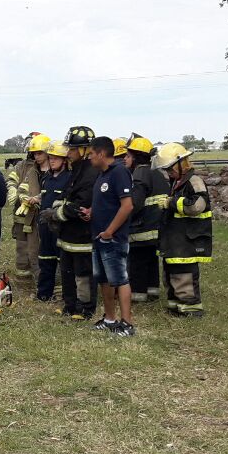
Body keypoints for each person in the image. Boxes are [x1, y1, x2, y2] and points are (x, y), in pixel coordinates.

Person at [47, 125, 98, 320]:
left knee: (83, 274)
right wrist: (55, 210)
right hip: (67, 235)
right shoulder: (76, 170)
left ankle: (85, 308)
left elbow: (81, 204)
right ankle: (70, 305)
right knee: (67, 272)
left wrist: (55, 215)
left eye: (72, 149)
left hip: (83, 236)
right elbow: (67, 197)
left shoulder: (91, 173)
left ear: (85, 150)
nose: (68, 152)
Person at [156, 142, 213, 317]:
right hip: (176, 240)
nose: (168, 172)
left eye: (170, 168)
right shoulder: (177, 181)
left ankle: (191, 310)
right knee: (172, 273)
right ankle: (176, 306)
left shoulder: (194, 181)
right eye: (165, 169)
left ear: (182, 164)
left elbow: (197, 206)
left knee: (184, 275)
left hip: (188, 239)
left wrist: (171, 203)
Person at [88, 137, 136, 336]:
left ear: (101, 153)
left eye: (91, 153)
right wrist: (91, 212)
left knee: (120, 279)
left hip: (113, 239)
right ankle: (109, 319)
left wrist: (110, 231)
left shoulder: (119, 172)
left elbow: (127, 206)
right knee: (104, 280)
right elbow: (107, 203)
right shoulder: (102, 175)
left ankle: (127, 324)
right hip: (98, 237)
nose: (89, 157)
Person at [126, 134, 169, 303]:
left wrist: (124, 217)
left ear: (136, 157)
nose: (125, 159)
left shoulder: (139, 173)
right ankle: (153, 292)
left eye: (128, 156)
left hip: (142, 228)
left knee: (137, 262)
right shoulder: (157, 173)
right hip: (157, 228)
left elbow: (135, 203)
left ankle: (138, 295)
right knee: (151, 260)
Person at [7, 133, 49, 283]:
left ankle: (39, 278)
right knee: (22, 246)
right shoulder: (22, 165)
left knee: (36, 247)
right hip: (21, 215)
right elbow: (12, 179)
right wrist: (12, 189)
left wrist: (29, 196)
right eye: (33, 152)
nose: (34, 155)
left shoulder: (45, 167)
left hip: (36, 213)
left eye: (38, 152)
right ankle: (23, 278)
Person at [36, 143, 69, 302]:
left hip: (60, 227)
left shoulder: (69, 179)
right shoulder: (46, 178)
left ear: (64, 160)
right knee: (45, 259)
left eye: (56, 158)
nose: (52, 161)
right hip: (45, 226)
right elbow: (44, 198)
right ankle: (44, 293)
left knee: (63, 262)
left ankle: (65, 294)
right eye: (50, 158)